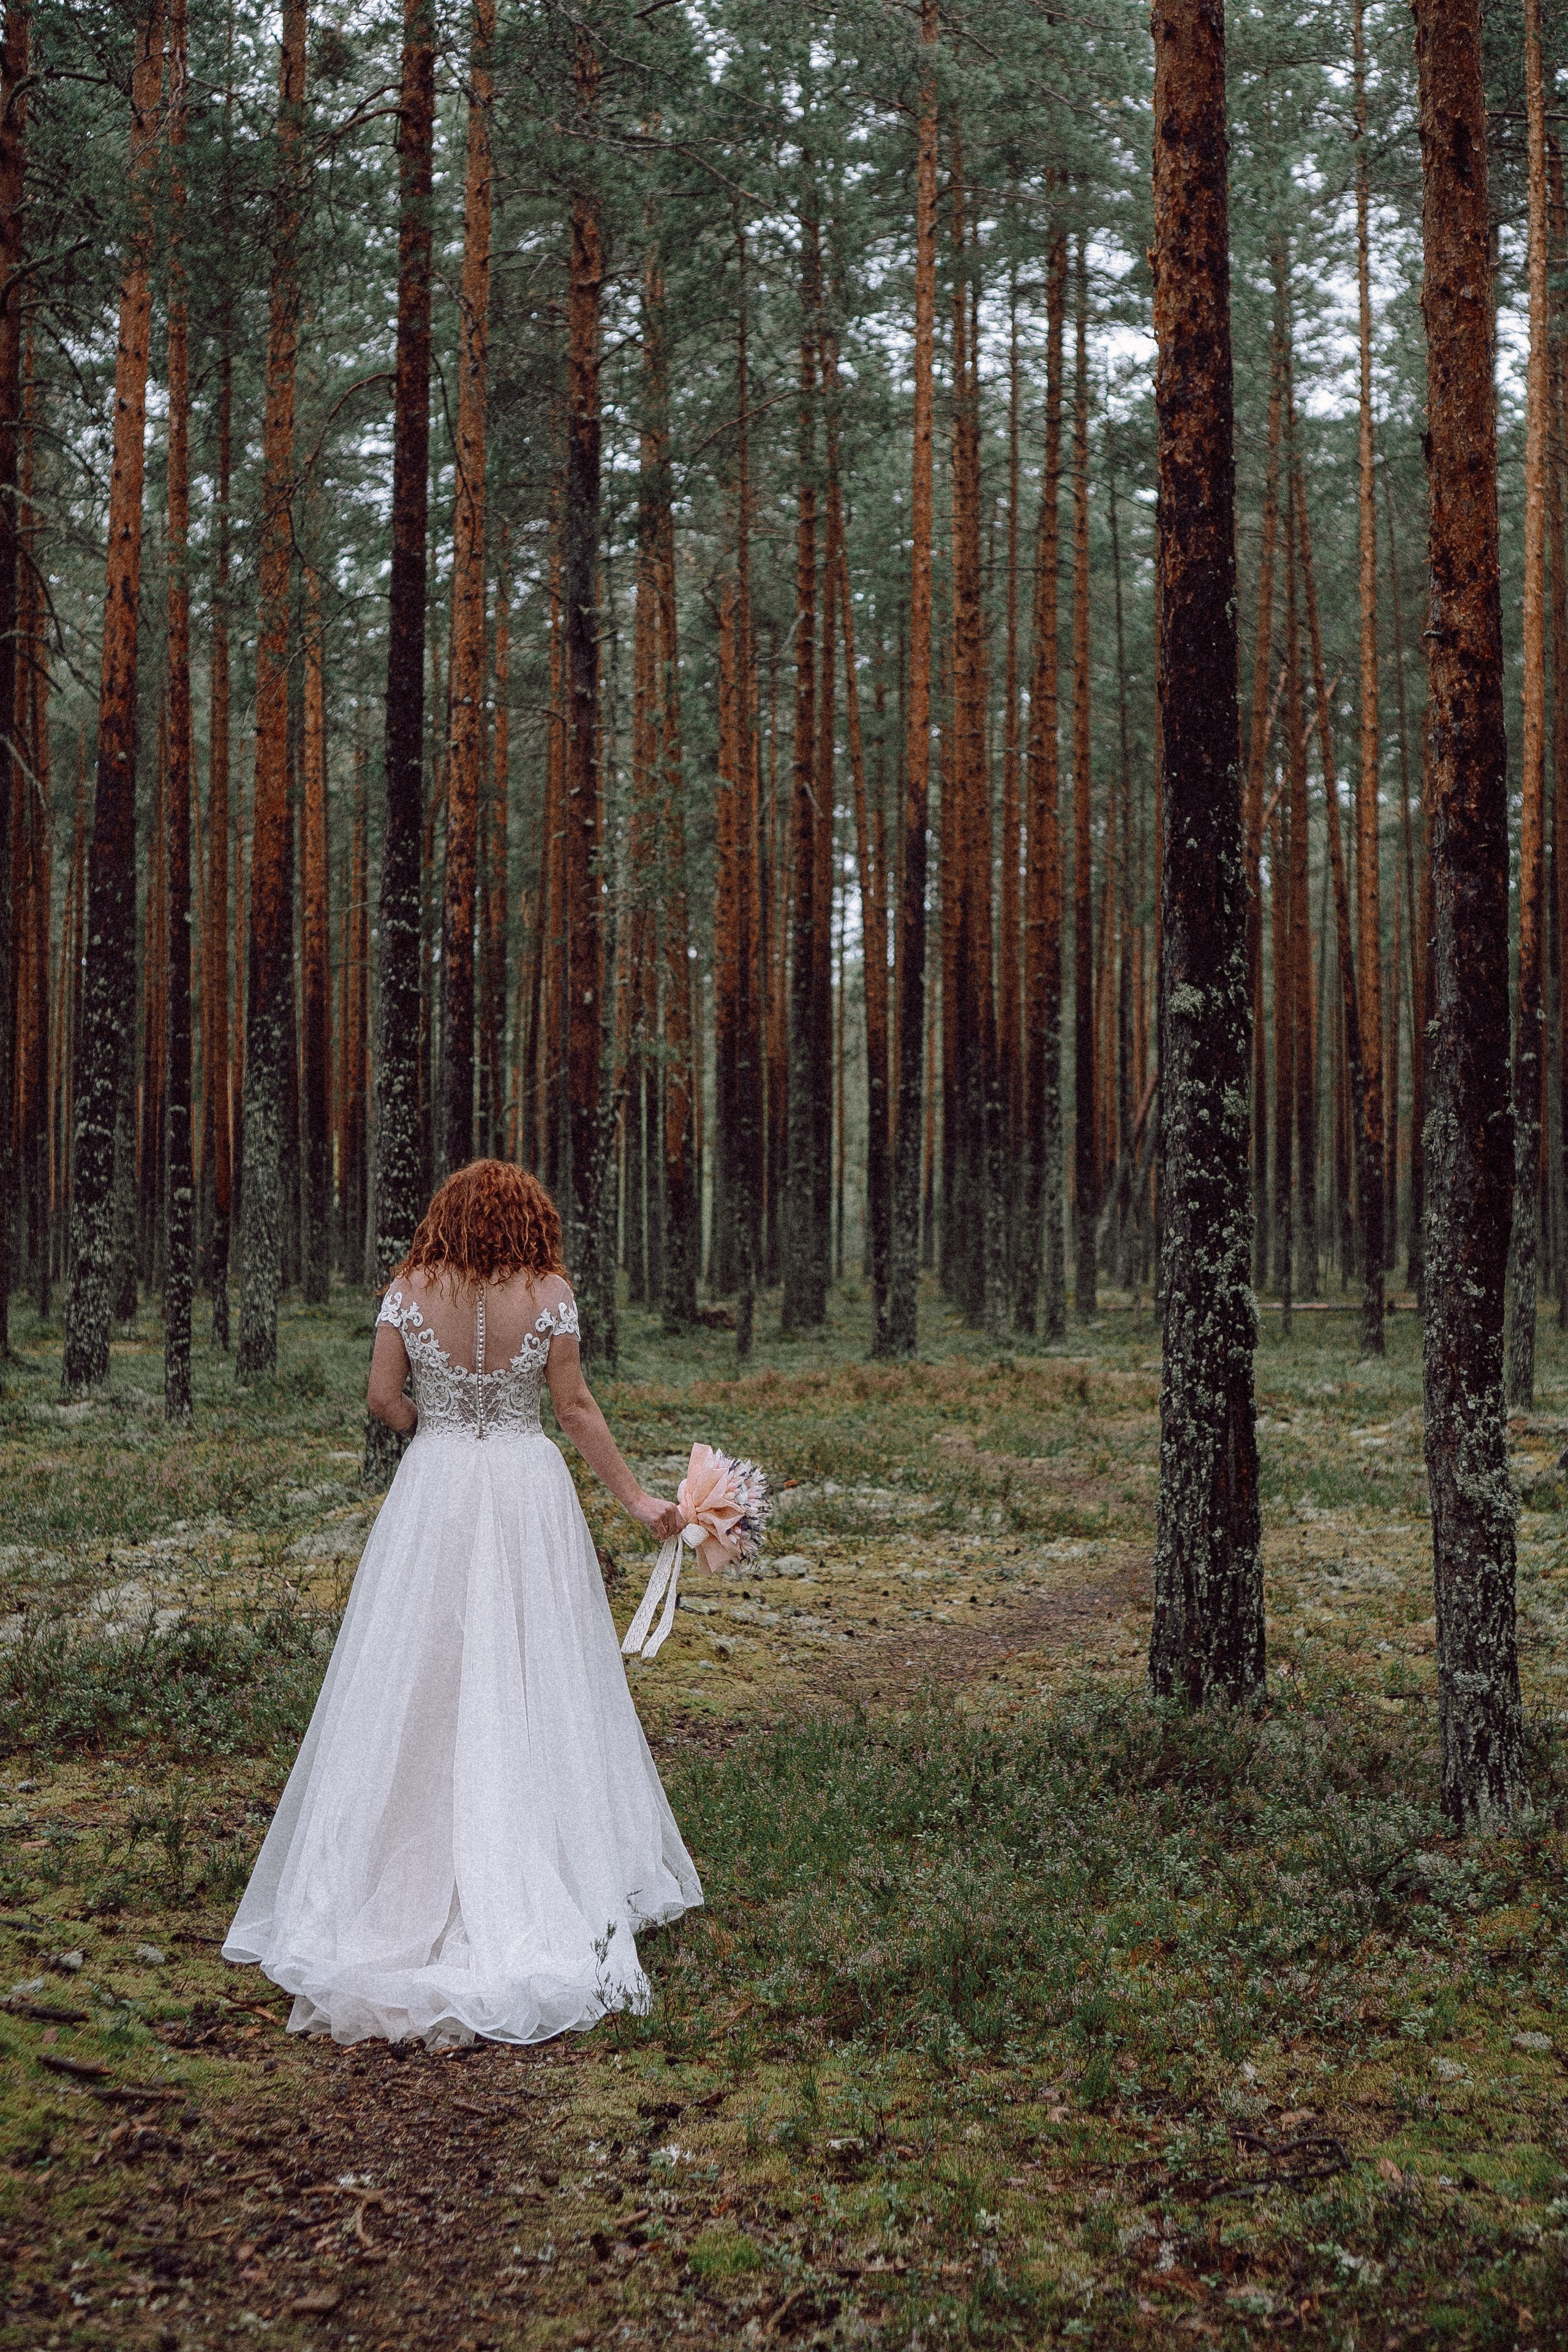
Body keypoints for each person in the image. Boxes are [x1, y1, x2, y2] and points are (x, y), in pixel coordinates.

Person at [224, 1159, 702, 2048]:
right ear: (530, 1220)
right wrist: (638, 1501)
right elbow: (577, 1407)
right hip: (525, 1488)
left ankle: (392, 1868)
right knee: (536, 1667)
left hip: (436, 1489)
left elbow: (380, 1399)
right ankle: (544, 1866)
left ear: (445, 1217)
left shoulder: (408, 1289)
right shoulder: (548, 1290)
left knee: (418, 1670)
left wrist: (427, 1430)